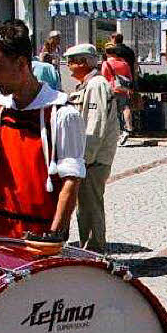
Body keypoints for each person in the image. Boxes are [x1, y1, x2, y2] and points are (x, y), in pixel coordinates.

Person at [0, 21, 84, 240]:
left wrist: (53, 237)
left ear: (21, 63)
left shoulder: (61, 113)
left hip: (37, 239)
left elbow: (71, 181)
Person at [65, 43, 119, 253]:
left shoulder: (96, 84)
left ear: (83, 63)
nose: (68, 65)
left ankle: (94, 251)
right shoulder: (88, 84)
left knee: (90, 207)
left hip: (94, 160)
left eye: (71, 61)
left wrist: (84, 159)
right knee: (86, 206)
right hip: (90, 158)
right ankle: (89, 249)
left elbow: (95, 125)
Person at [101, 45, 133, 141]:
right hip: (123, 90)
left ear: (107, 53)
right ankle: (128, 128)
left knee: (113, 112)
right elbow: (130, 77)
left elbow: (104, 78)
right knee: (125, 108)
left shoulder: (106, 64)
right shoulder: (124, 63)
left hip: (111, 90)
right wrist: (129, 89)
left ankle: (119, 132)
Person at [109, 33, 138, 138]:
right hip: (127, 82)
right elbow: (134, 67)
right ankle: (129, 128)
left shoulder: (112, 52)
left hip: (114, 83)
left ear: (113, 39)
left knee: (114, 108)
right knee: (126, 106)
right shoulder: (129, 51)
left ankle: (119, 130)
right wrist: (134, 82)